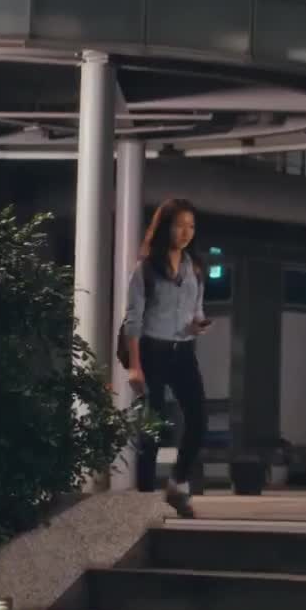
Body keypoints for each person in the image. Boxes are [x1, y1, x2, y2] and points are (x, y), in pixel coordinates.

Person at [122, 198, 212, 518]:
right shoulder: (145, 269)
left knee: (199, 419)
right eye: (179, 225)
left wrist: (198, 324)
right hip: (151, 351)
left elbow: (196, 310)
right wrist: (135, 366)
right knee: (154, 427)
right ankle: (145, 502)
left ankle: (177, 484)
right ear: (165, 228)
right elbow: (133, 320)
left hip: (183, 350)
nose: (186, 232)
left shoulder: (195, 268)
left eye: (191, 226)